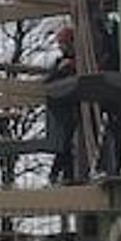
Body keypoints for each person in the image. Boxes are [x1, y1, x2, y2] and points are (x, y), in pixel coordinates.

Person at [44, 24, 78, 184]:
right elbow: (47, 83)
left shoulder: (78, 62)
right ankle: (62, 174)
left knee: (68, 141)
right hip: (64, 107)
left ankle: (62, 173)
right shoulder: (60, 63)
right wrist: (61, 71)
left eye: (64, 44)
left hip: (72, 106)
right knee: (66, 141)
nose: (62, 48)